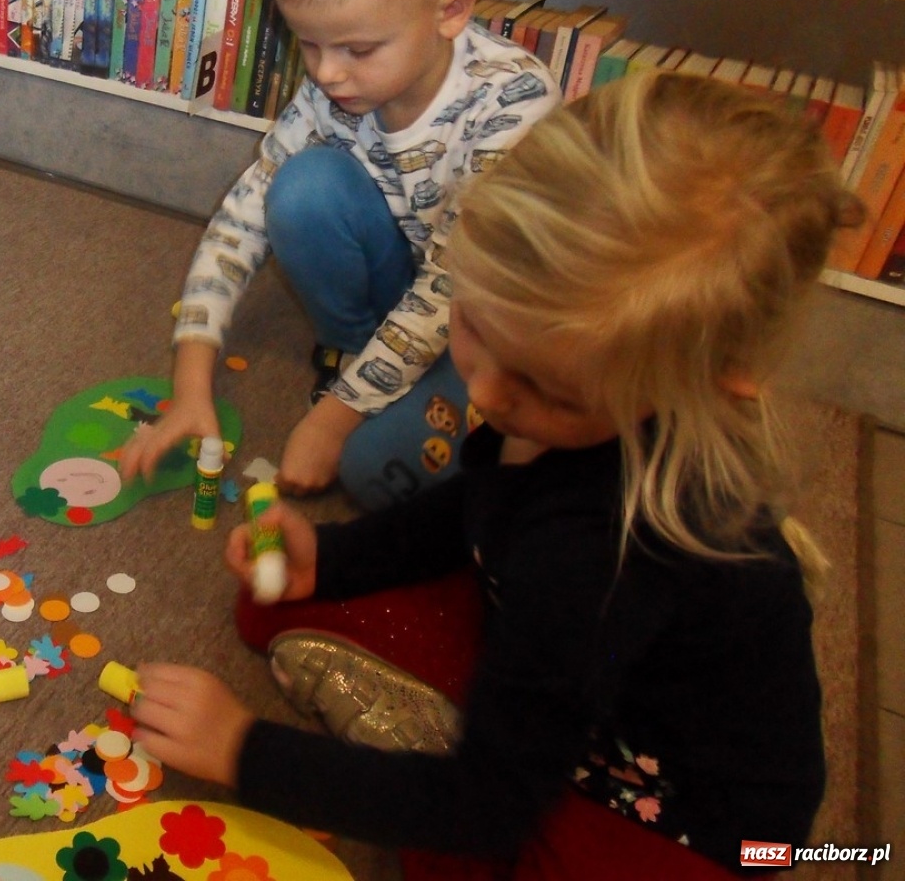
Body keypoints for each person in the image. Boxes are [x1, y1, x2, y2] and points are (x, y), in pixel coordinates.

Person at [130, 72, 857, 877]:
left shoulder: (601, 550)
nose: (486, 393)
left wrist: (245, 753)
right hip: (578, 656)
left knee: (465, 858)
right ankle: (459, 722)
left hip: (709, 831)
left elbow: (487, 807)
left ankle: (453, 736)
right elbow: (478, 507)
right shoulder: (557, 414)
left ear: (699, 384)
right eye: (475, 323)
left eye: (547, 390)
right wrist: (331, 559)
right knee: (277, 601)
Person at [119, 0, 558, 509]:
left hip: (493, 320)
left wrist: (333, 420)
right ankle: (360, 355)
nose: (326, 74)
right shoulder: (338, 85)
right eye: (310, 43)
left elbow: (450, 288)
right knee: (302, 188)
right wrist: (190, 385)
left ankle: (381, 389)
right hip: (411, 281)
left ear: (450, 13)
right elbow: (242, 218)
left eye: (357, 48)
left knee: (375, 472)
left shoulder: (514, 102)